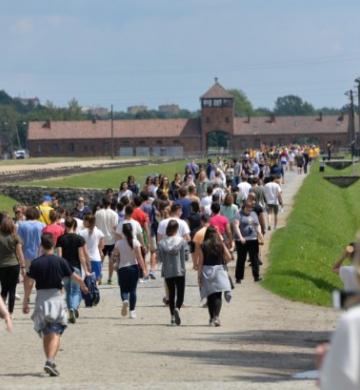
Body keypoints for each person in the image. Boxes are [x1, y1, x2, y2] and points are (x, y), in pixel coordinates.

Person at [23, 233, 88, 377]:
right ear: (53, 245)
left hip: (41, 299)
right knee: (56, 331)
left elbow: (28, 283)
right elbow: (74, 276)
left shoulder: (36, 263)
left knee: (47, 332)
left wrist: (25, 300)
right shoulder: (60, 261)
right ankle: (50, 361)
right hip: (56, 299)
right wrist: (83, 286)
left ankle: (49, 360)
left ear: (41, 246)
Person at [56, 217, 90, 323]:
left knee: (68, 291)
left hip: (65, 268)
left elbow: (59, 256)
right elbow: (81, 256)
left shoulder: (60, 239)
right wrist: (87, 269)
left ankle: (71, 309)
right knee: (76, 291)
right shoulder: (79, 239)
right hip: (76, 268)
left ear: (65, 225)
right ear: (74, 226)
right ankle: (73, 308)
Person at [198, 226, 232, 326]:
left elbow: (201, 262)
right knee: (218, 295)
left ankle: (211, 318)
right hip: (219, 270)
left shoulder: (203, 245)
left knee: (210, 295)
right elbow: (229, 257)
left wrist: (199, 276)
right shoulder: (220, 244)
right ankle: (216, 317)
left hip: (207, 270)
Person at [112, 223, 147, 319]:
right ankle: (132, 311)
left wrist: (115, 263)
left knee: (123, 289)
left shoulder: (118, 243)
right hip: (133, 268)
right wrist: (144, 269)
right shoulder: (135, 242)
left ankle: (125, 300)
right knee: (133, 290)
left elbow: (114, 256)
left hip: (122, 268)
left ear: (122, 232)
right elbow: (140, 258)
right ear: (132, 231)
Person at [158, 220, 188, 325]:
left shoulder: (161, 243)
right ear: (177, 229)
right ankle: (177, 308)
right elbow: (186, 256)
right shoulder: (182, 241)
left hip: (167, 271)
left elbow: (160, 258)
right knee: (180, 293)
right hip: (179, 270)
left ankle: (172, 317)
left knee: (171, 294)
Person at [233, 197, 263, 283]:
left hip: (253, 239)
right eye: (248, 209)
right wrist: (240, 237)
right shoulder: (239, 214)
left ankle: (256, 276)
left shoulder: (253, 214)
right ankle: (238, 278)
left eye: (251, 209)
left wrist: (259, 233)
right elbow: (236, 226)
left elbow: (257, 225)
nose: (249, 211)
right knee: (241, 259)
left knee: (255, 258)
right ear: (244, 207)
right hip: (242, 240)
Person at [0, 216, 26, 315]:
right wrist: (23, 267)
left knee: (4, 288)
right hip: (14, 265)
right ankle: (10, 311)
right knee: (12, 289)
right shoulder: (15, 237)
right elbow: (19, 253)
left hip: (1, 265)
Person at [95, 198, 119, 284]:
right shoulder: (114, 214)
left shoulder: (97, 213)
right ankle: (109, 278)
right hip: (111, 239)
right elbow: (115, 227)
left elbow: (96, 226)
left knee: (99, 260)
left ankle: (99, 277)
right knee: (111, 260)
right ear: (110, 203)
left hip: (100, 239)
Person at [17, 206, 45, 272]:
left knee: (28, 276)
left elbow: (19, 244)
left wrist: (21, 260)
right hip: (40, 254)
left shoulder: (22, 225)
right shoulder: (42, 225)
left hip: (26, 255)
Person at [80, 214, 105, 284]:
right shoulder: (99, 232)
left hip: (84, 259)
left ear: (87, 222)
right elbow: (102, 246)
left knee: (85, 281)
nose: (83, 222)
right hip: (96, 258)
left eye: (84, 220)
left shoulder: (81, 233)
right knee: (95, 282)